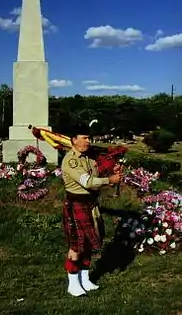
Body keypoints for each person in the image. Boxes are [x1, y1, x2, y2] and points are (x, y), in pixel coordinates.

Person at [61, 123, 123, 297]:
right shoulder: (70, 160)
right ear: (74, 140)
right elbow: (88, 181)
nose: (88, 141)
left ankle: (85, 279)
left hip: (91, 205)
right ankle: (73, 283)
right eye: (84, 137)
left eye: (89, 138)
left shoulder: (89, 158)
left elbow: (97, 172)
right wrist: (109, 180)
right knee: (76, 245)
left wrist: (113, 170)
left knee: (88, 243)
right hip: (76, 205)